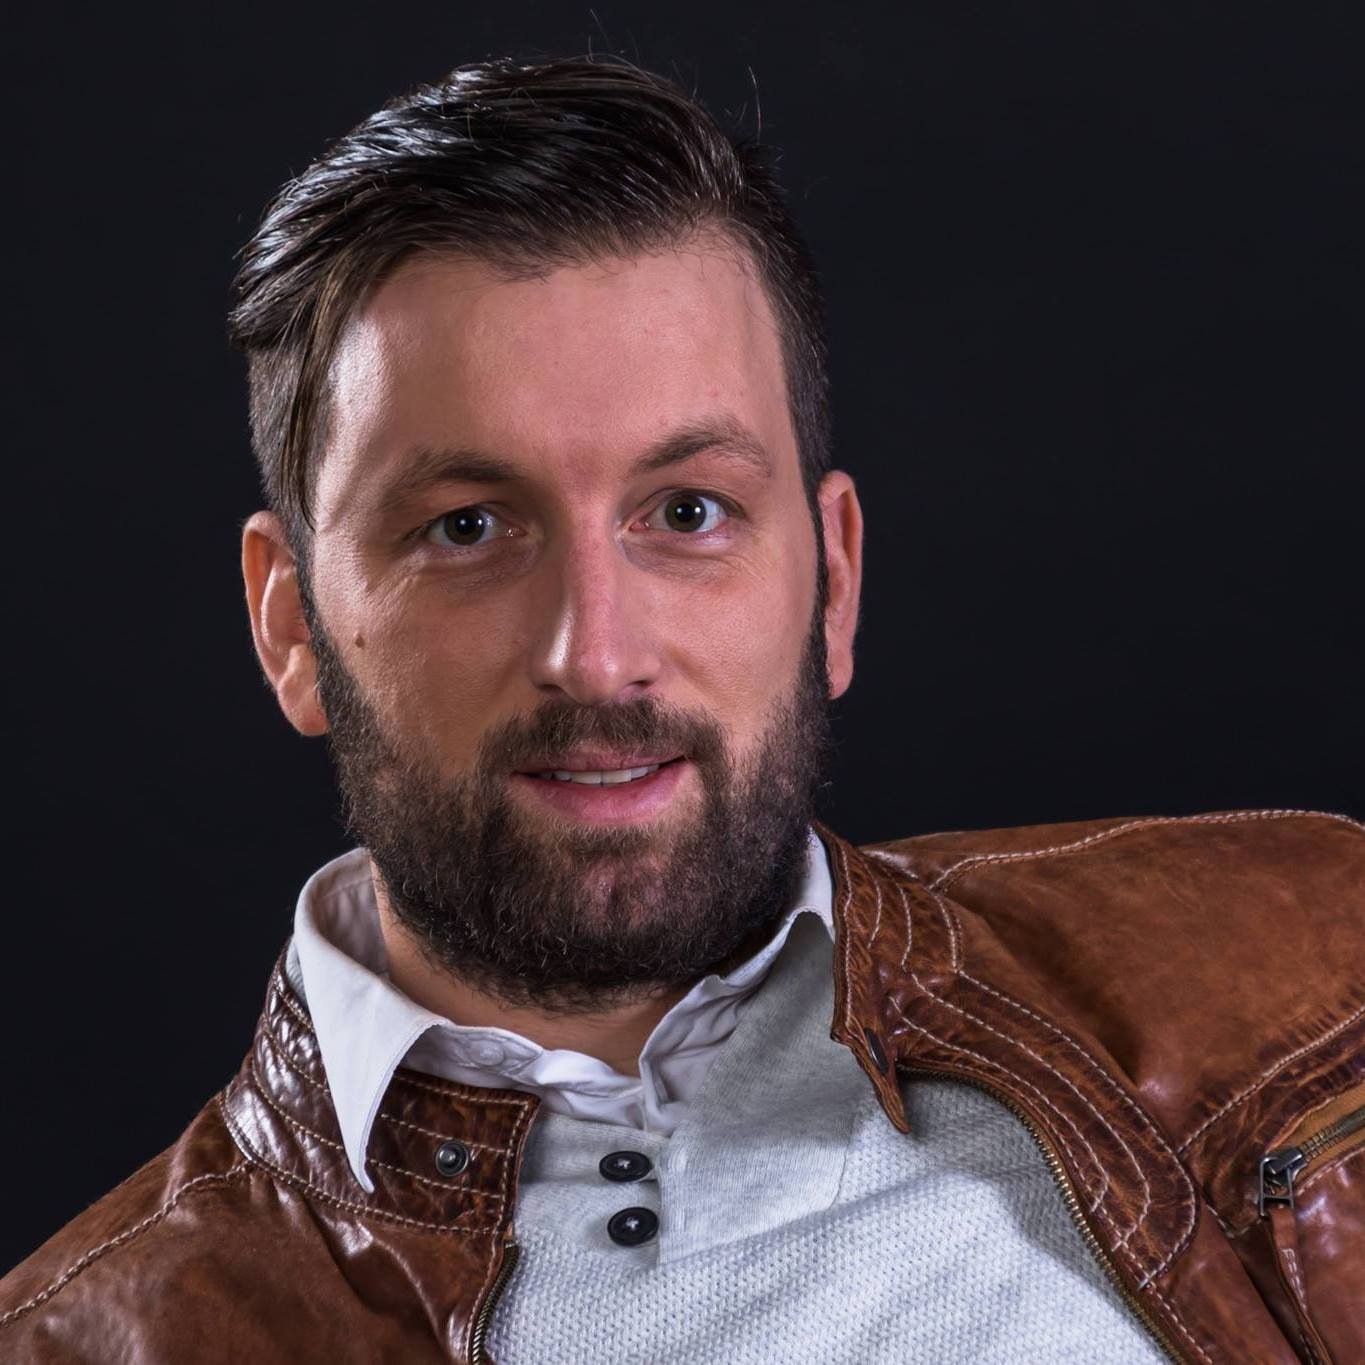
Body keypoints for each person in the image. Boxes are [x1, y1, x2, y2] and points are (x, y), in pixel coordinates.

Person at [2, 53, 1360, 1365]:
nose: (596, 656)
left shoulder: (1315, 962)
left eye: (687, 512)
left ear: (832, 580)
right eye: (467, 525)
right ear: (292, 621)